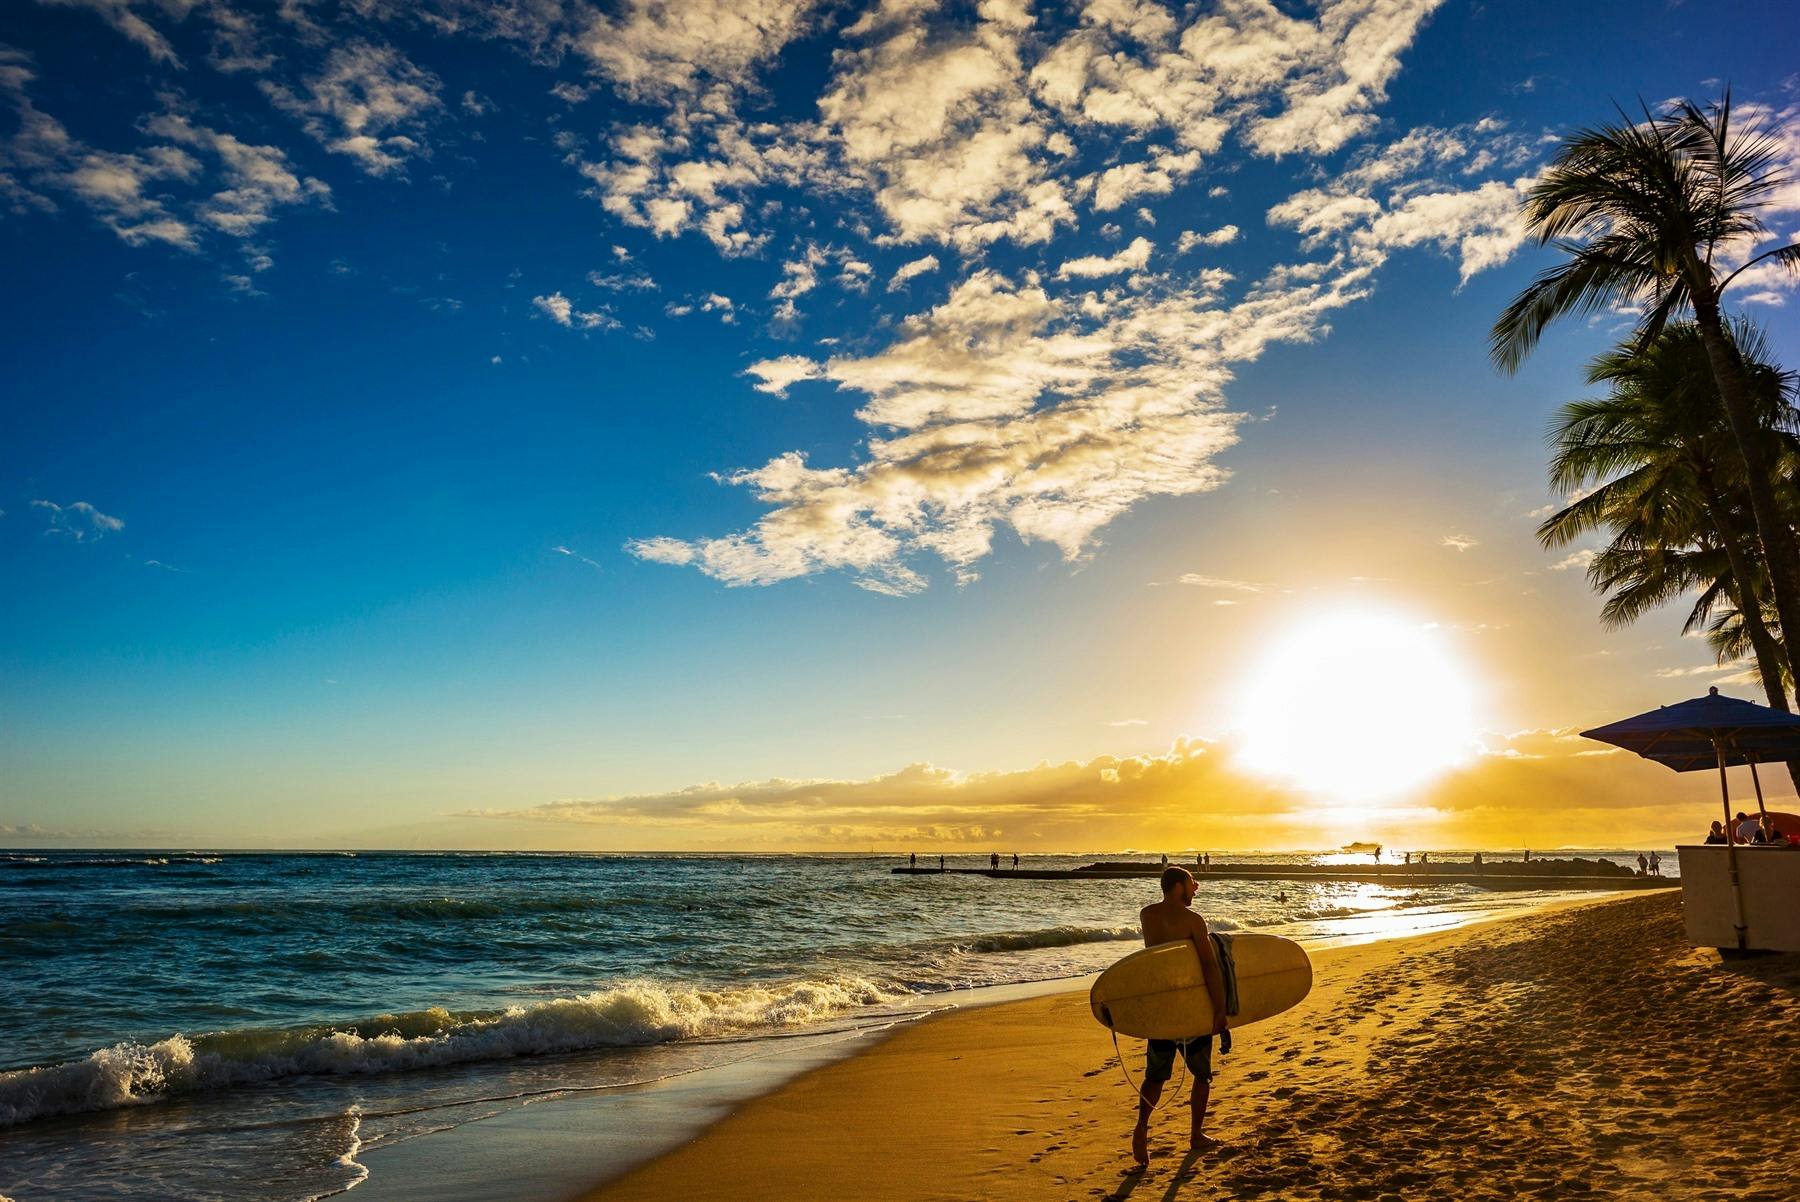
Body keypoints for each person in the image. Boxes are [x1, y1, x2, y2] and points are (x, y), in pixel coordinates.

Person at [1132, 866, 1227, 1166]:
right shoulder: (1193, 921)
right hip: (1188, 1008)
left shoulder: (1147, 915)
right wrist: (1220, 1010)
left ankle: (1142, 1126)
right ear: (1176, 887)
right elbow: (1210, 967)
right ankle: (1196, 1134)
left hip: (1162, 1009)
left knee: (1155, 1076)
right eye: (1191, 883)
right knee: (1201, 1073)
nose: (1195, 888)